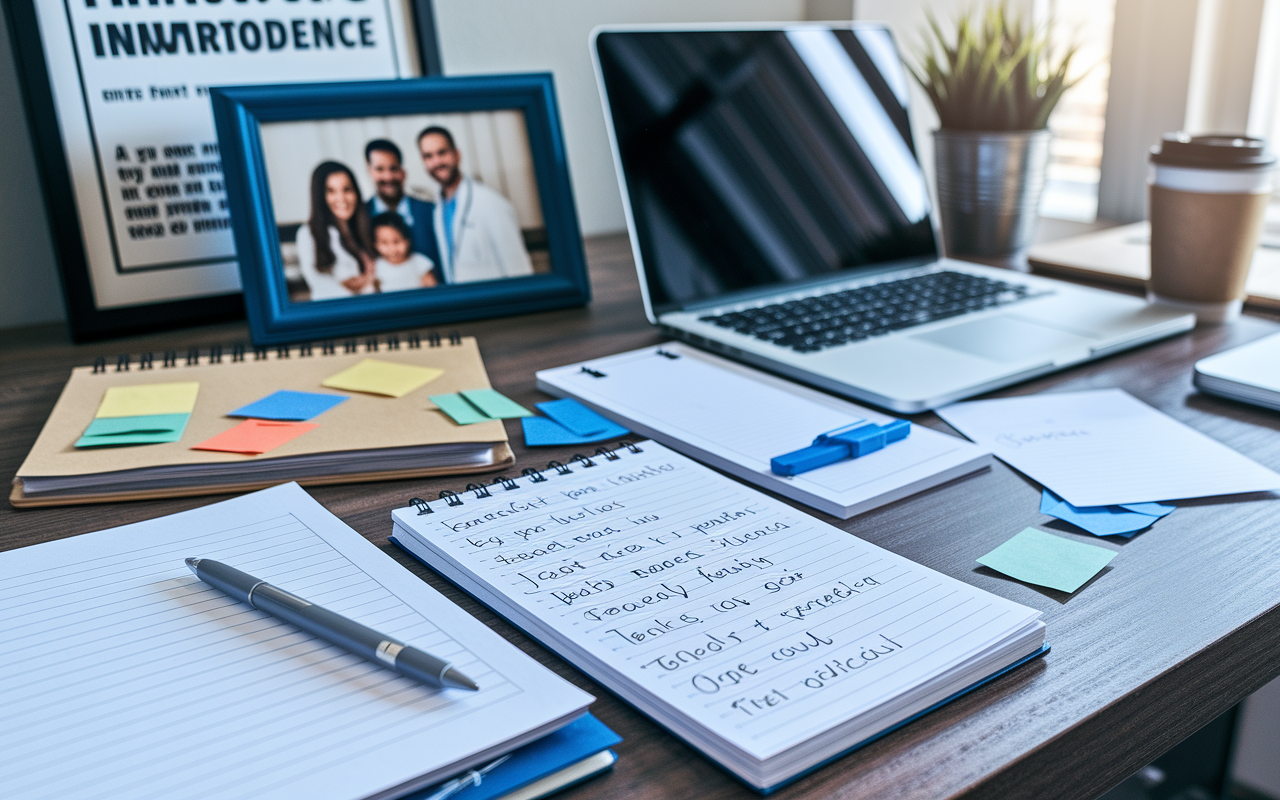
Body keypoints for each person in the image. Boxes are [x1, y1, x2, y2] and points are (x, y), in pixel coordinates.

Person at [417, 125, 534, 284]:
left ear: (457, 154)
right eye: (428, 156)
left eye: (442, 152)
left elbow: (520, 270)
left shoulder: (491, 203)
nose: (436, 161)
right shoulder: (438, 208)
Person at [295, 161, 376, 301]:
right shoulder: (308, 234)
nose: (341, 198)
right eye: (331, 191)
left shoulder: (364, 229)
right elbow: (322, 287)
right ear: (320, 196)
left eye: (347, 189)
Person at [364, 139, 442, 276]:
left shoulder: (431, 211)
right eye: (380, 169)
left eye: (393, 169)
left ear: (403, 172)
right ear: (370, 171)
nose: (388, 177)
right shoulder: (361, 216)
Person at [371, 212, 439, 292]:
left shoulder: (421, 263)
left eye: (396, 242)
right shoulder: (375, 268)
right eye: (384, 243)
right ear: (375, 245)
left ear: (407, 241)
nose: (392, 249)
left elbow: (433, 292)